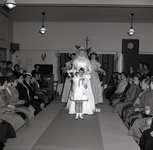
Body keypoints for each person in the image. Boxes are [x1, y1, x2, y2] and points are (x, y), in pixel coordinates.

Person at [66, 47, 95, 115]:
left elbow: (90, 69)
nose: (82, 54)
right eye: (80, 52)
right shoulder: (76, 60)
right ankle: (75, 110)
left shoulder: (87, 61)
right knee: (76, 91)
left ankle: (86, 109)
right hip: (77, 77)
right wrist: (71, 72)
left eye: (83, 52)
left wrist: (86, 72)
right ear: (78, 53)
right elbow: (73, 69)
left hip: (84, 77)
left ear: (85, 53)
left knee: (85, 91)